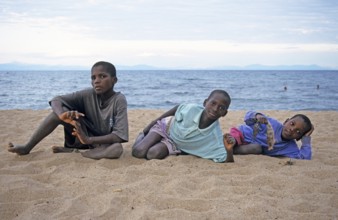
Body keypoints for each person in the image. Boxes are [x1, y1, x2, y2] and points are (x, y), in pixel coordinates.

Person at [7, 61, 128, 160]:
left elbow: (119, 136)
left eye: (102, 76)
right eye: (93, 77)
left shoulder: (119, 99)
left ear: (114, 80)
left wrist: (89, 140)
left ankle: (82, 152)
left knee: (117, 148)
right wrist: (61, 115)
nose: (96, 80)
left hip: (102, 142)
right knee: (58, 113)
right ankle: (27, 147)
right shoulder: (88, 94)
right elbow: (56, 100)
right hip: (82, 136)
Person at [132, 90, 234, 163]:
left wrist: (229, 150)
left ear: (224, 113)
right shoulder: (192, 109)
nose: (215, 109)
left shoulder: (215, 135)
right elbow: (177, 108)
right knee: (138, 152)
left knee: (152, 154)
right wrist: (152, 123)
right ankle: (141, 136)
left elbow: (225, 158)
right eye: (213, 103)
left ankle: (160, 144)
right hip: (166, 127)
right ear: (205, 102)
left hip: (175, 144)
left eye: (221, 108)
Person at [224, 111, 314, 160]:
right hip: (241, 134)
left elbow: (304, 158)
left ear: (298, 138)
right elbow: (247, 118)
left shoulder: (290, 147)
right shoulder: (272, 124)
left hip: (250, 147)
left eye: (298, 132)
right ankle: (230, 144)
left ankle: (230, 150)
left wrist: (306, 138)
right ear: (286, 121)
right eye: (292, 124)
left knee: (257, 148)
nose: (292, 129)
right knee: (235, 139)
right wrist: (257, 116)